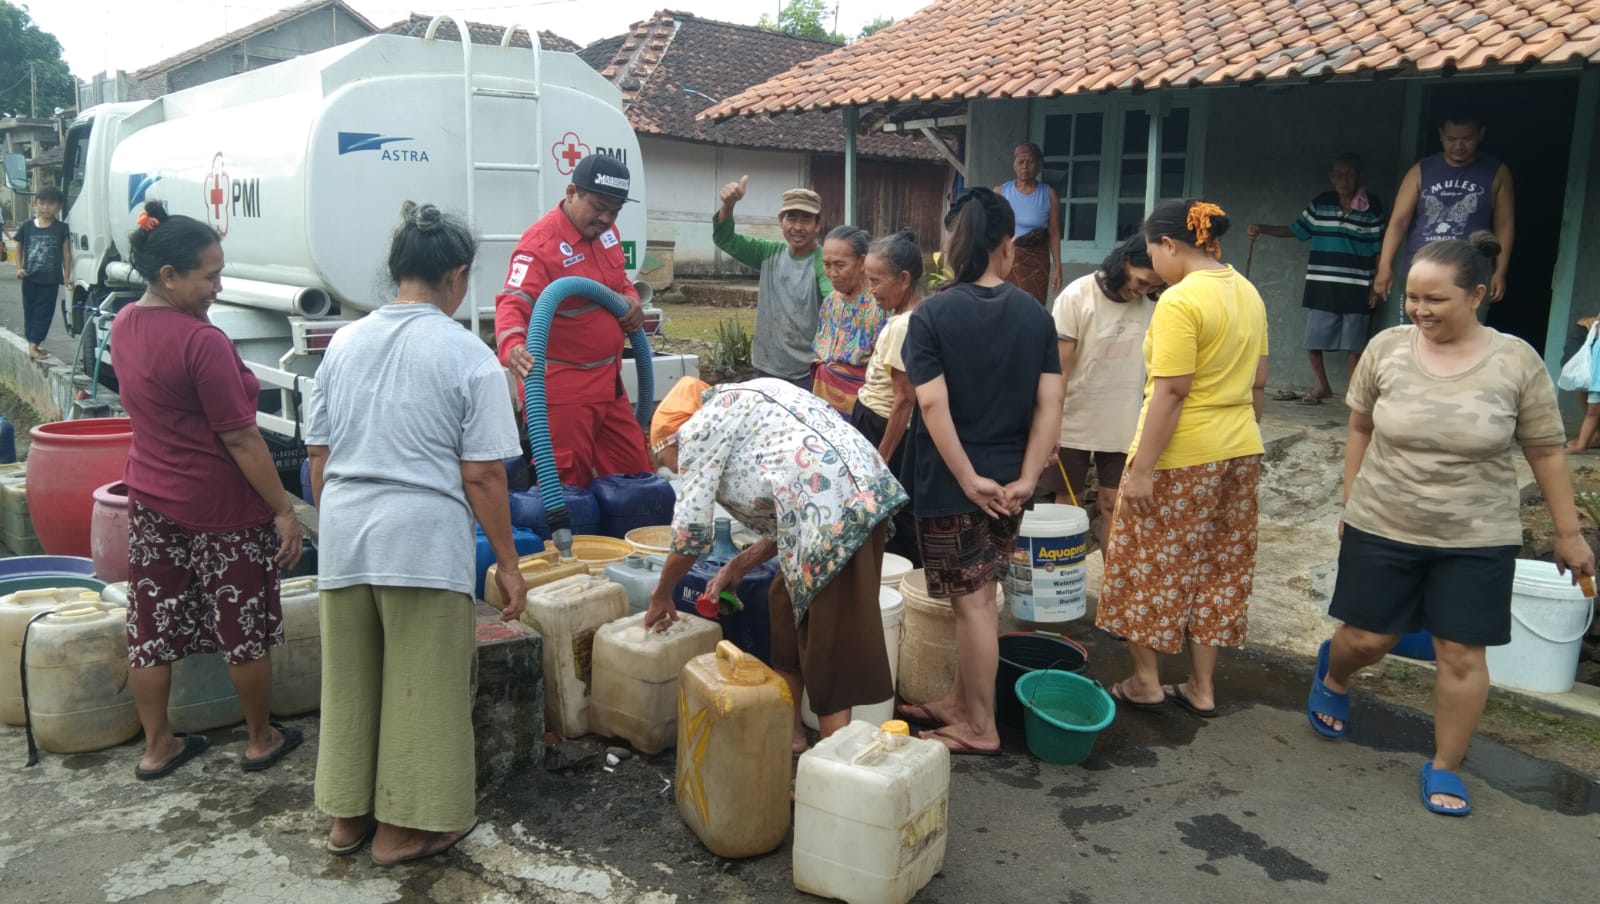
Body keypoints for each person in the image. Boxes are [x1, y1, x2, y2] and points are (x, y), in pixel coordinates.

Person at [1307, 231, 1594, 817]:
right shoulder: (1387, 349)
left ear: (1478, 295)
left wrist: (1569, 533)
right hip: (1383, 520)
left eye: (1435, 299)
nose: (1419, 310)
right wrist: (1350, 500)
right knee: (1369, 638)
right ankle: (1334, 675)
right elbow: (1359, 426)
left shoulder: (1515, 360)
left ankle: (1445, 764)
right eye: (1413, 297)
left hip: (1476, 535)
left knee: (1461, 654)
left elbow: (1545, 449)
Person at [307, 202, 528, 864]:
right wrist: (510, 566)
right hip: (421, 539)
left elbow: (317, 455)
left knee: (350, 681)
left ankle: (348, 819)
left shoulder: (343, 343)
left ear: (396, 270)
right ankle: (407, 830)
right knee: (424, 685)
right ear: (456, 277)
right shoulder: (468, 354)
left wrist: (340, 527)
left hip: (345, 528)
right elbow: (485, 477)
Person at [110, 201, 305, 780]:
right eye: (210, 276)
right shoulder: (202, 342)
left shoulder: (124, 323)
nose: (219, 287)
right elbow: (243, 440)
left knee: (151, 622)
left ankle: (157, 746)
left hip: (151, 498)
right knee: (242, 628)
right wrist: (284, 510)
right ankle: (259, 738)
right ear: (169, 276)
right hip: (222, 508)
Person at [644, 376, 907, 752]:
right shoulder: (743, 401)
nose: (673, 470)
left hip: (837, 511)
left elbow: (690, 537)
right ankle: (792, 734)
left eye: (664, 461)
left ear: (670, 439)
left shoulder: (696, 432)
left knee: (826, 641)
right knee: (784, 602)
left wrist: (660, 595)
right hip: (838, 499)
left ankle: (834, 774)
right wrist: (737, 567)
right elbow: (787, 498)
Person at [896, 188, 1063, 755]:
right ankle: (959, 701)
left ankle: (979, 727)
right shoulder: (1037, 315)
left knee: (973, 607)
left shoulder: (933, 315)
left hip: (952, 484)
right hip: (1010, 487)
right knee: (981, 598)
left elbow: (933, 406)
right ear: (1007, 245)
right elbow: (1050, 406)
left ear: (954, 244)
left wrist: (967, 479)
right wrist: (1027, 477)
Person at [1095, 199, 1268, 717]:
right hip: (1239, 450)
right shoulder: (1248, 291)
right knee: (1218, 566)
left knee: (1141, 565)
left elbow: (1171, 392)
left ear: (1170, 245)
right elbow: (1259, 382)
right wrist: (1237, 437)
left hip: (1181, 454)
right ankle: (1201, 687)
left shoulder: (1181, 300)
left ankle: (1147, 681)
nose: (1153, 264)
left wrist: (1142, 470)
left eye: (1152, 251)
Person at [494, 154, 648, 487]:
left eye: (615, 211)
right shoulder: (540, 245)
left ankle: (622, 538)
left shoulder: (608, 233)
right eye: (598, 206)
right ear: (571, 192)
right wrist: (513, 344)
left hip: (609, 384)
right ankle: (574, 540)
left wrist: (632, 300)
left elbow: (617, 280)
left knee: (636, 476)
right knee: (567, 487)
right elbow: (513, 301)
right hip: (563, 390)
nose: (606, 218)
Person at [1040, 235, 1160, 548]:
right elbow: (1060, 370)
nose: (1143, 291)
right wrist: (1050, 425)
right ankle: (1066, 587)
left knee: (1114, 504)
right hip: (1074, 418)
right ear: (1125, 262)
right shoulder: (1077, 296)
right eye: (1141, 281)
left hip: (1124, 421)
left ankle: (1113, 590)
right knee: (1068, 504)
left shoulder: (1151, 306)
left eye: (1151, 287)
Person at [1248, 153, 1386, 403]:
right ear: (1332, 178)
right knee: (1313, 341)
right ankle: (1322, 385)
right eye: (1339, 174)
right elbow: (1297, 230)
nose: (1344, 180)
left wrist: (1377, 285)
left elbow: (1379, 248)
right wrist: (1263, 229)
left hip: (1357, 285)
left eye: (1350, 174)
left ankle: (1354, 395)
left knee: (1356, 347)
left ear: (1359, 177)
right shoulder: (1323, 203)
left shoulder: (1372, 207)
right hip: (1322, 284)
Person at [1374, 112, 1514, 322]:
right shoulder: (1420, 170)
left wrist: (1501, 270)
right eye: (1451, 139)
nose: (1458, 146)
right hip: (1421, 269)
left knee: (1465, 337)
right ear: (1441, 135)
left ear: (1481, 135)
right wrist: (1384, 267)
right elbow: (1398, 222)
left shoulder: (1496, 171)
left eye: (1466, 139)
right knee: (1414, 335)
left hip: (1470, 273)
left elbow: (1504, 224)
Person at [713, 176, 832, 389]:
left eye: (806, 219)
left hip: (808, 371)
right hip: (766, 365)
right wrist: (728, 204)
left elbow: (835, 302)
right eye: (791, 218)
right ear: (780, 221)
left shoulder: (824, 263)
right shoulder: (768, 253)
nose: (797, 226)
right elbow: (726, 239)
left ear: (818, 224)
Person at [853, 229, 926, 566]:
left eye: (876, 281)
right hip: (880, 422)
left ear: (904, 279)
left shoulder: (902, 326)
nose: (871, 290)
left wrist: (881, 457)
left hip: (883, 426)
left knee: (889, 505)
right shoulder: (913, 316)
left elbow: (903, 400)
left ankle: (896, 573)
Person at [811, 225, 884, 415]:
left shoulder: (881, 305)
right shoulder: (831, 302)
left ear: (862, 262)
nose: (832, 273)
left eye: (840, 265)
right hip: (825, 401)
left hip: (864, 407)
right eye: (827, 265)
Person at [995, 143, 1061, 304]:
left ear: (1038, 166)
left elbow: (1054, 233)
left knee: (1034, 305)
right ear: (1014, 165)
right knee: (1008, 304)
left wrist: (1058, 267)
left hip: (1037, 261)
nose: (1025, 167)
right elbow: (992, 230)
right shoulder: (1000, 192)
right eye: (1020, 162)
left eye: (1030, 162)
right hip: (1009, 259)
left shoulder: (1049, 194)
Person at [13, 186, 72, 360]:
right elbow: (19, 246)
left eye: (51, 204)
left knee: (44, 312)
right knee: (30, 311)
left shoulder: (62, 228)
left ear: (59, 206)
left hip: (50, 280)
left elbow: (66, 253)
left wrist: (67, 275)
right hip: (30, 278)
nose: (46, 207)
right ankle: (33, 343)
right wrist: (19, 268)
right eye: (42, 202)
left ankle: (33, 345)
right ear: (36, 203)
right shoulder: (27, 226)